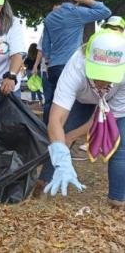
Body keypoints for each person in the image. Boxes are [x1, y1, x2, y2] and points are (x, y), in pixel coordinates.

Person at [43, 30, 125, 208]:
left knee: (121, 145)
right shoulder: (76, 65)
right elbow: (56, 119)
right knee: (58, 139)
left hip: (110, 104)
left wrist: (73, 137)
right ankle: (42, 185)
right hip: (82, 99)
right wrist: (62, 157)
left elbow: (108, 118)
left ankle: (117, 200)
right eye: (98, 74)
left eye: (108, 76)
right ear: (88, 60)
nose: (102, 81)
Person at [42, 0, 111, 125]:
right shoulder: (77, 13)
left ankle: (47, 134)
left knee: (53, 104)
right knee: (71, 107)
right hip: (70, 66)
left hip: (53, 66)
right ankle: (64, 136)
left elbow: (46, 45)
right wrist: (88, 0)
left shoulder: (49, 17)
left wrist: (47, 62)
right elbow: (106, 12)